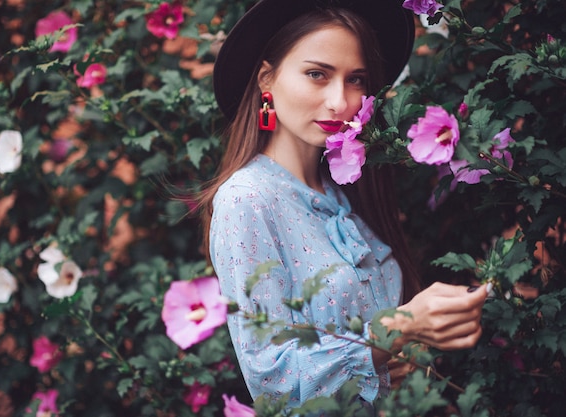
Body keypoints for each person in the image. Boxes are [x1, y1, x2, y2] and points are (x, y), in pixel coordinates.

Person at [199, 0, 489, 410]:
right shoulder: (248, 199)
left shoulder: (345, 190)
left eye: (356, 80)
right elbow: (274, 383)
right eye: (317, 74)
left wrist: (397, 356)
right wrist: (398, 328)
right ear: (267, 78)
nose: (340, 101)